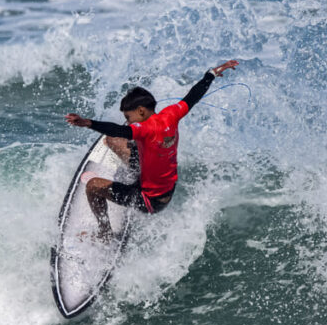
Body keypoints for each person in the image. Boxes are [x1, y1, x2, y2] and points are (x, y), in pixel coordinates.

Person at [65, 59, 239, 240]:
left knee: (93, 186)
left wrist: (88, 123)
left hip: (149, 201)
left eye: (128, 117)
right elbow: (193, 96)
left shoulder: (144, 129)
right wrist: (211, 74)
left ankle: (105, 233)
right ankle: (136, 176)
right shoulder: (171, 114)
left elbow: (119, 130)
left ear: (141, 111)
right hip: (167, 189)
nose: (128, 122)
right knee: (112, 141)